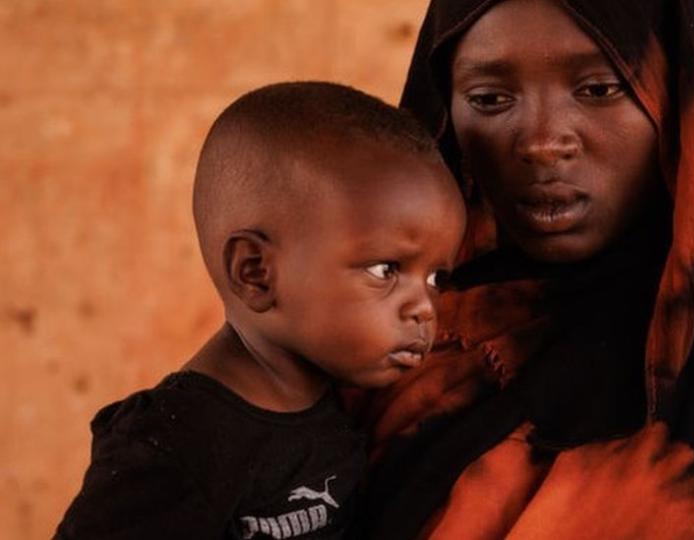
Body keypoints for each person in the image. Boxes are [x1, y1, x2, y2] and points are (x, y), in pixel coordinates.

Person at [356, 1, 694, 538]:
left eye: (599, 89)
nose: (542, 143)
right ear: (443, 111)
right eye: (490, 99)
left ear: (674, 97)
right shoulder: (374, 326)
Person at [55, 82, 466, 539]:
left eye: (436, 279)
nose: (425, 308)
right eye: (385, 269)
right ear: (256, 273)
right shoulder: (177, 447)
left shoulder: (345, 403)